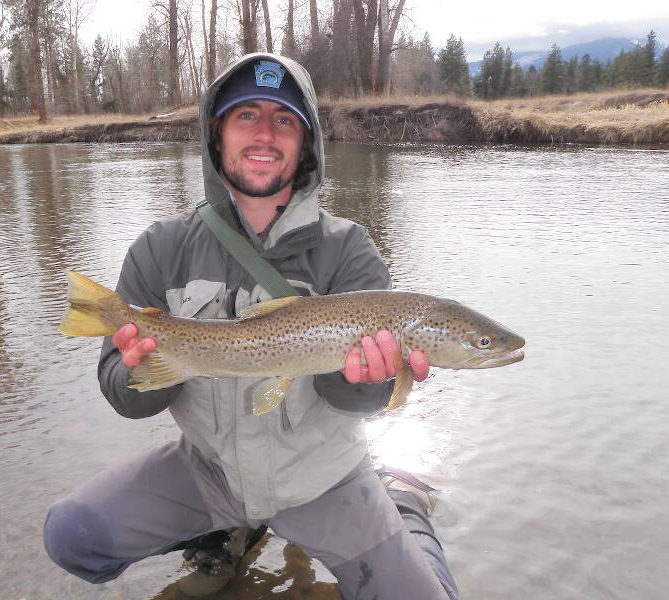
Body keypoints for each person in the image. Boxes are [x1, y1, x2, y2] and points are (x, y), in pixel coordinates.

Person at [43, 53, 459, 600]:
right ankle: (227, 527)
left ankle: (404, 503)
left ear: (306, 143)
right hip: (209, 472)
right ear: (216, 135)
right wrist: (151, 363)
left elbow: (361, 405)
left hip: (323, 480)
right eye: (246, 116)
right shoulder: (159, 248)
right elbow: (123, 396)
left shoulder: (349, 250)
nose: (264, 133)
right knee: (72, 535)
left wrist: (367, 380)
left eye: (284, 120)